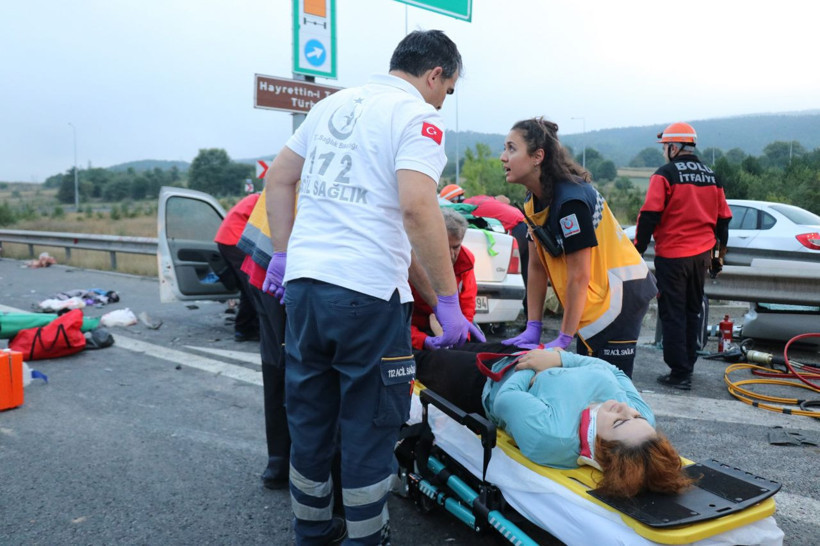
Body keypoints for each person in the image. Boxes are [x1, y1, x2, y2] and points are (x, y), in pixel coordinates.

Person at [263, 30, 483, 545]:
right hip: (365, 295)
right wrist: (448, 302)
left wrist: (281, 253)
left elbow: (278, 178)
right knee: (369, 424)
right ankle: (366, 537)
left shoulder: (329, 106)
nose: (442, 101)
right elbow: (417, 207)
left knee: (311, 416)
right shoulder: (416, 118)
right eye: (446, 90)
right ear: (436, 75)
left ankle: (312, 531)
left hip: (305, 291)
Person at [415, 345, 692, 498]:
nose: (624, 408)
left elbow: (507, 399)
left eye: (619, 422)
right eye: (635, 416)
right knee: (452, 343)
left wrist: (534, 366)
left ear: (603, 449)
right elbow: (614, 370)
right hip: (527, 355)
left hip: (484, 380)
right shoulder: (641, 419)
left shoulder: (553, 437)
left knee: (426, 359)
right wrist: (558, 358)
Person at [500, 117, 656, 377]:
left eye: (511, 148)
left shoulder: (570, 203)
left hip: (618, 299)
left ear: (538, 156)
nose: (503, 157)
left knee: (608, 388)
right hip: (593, 299)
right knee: (587, 385)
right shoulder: (533, 201)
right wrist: (533, 325)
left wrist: (564, 337)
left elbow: (579, 274)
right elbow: (537, 265)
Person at [634, 122, 732, 391]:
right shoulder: (712, 176)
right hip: (700, 257)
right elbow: (723, 220)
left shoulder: (665, 174)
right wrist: (717, 258)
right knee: (692, 310)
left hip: (673, 257)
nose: (665, 152)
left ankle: (679, 373)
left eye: (666, 147)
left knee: (673, 312)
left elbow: (649, 216)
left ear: (674, 147)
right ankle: (687, 363)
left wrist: (636, 251)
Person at [234, 188, 291, 490]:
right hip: (281, 268)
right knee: (295, 367)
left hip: (262, 260)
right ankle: (294, 466)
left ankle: (279, 463)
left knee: (276, 362)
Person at [439, 185, 530, 314]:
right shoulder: (478, 199)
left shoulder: (463, 210)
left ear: (452, 202)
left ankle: (502, 324)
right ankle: (530, 321)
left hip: (514, 227)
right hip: (525, 224)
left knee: (504, 271)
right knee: (527, 275)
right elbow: (505, 200)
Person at [410, 208, 477, 351]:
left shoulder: (465, 262)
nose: (452, 255)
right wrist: (422, 340)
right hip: (413, 328)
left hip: (448, 325)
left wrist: (462, 334)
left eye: (456, 247)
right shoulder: (411, 263)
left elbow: (467, 305)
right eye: (445, 247)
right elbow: (397, 319)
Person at [214, 193, 260, 342]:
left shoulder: (256, 198)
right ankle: (266, 330)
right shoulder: (267, 199)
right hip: (235, 240)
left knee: (247, 289)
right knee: (254, 286)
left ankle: (244, 329)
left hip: (227, 240)